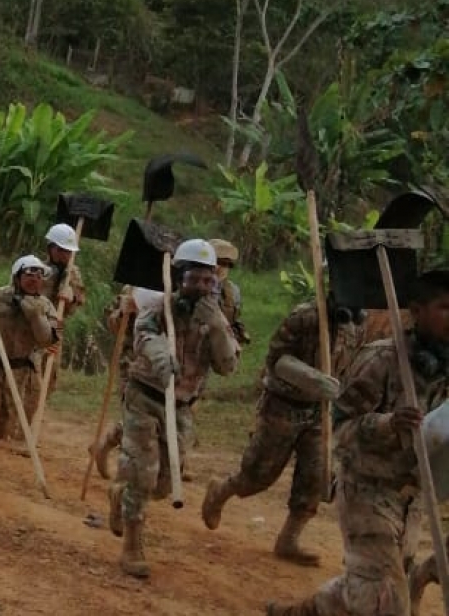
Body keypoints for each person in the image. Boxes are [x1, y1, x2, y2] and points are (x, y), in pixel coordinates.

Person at [265, 269, 449, 616]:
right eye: (445, 307)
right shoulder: (381, 359)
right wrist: (388, 424)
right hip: (368, 491)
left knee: (367, 588)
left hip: (413, 497)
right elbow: (341, 429)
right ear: (417, 310)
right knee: (389, 601)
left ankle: (301, 612)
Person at [107, 238, 239, 579]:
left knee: (164, 485)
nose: (200, 287)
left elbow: (228, 366)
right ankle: (132, 544)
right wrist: (159, 355)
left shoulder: (216, 319)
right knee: (143, 472)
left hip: (181, 406)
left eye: (207, 280)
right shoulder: (160, 308)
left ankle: (119, 494)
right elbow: (143, 334)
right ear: (179, 278)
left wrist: (219, 328)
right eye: (193, 279)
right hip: (145, 395)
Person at [201, 298, 365, 566]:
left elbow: (350, 366)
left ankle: (289, 539)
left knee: (315, 477)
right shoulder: (304, 316)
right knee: (258, 474)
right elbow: (275, 360)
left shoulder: (356, 324)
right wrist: (312, 379)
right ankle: (220, 491)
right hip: (282, 405)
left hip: (319, 411)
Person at [0, 255, 59, 490]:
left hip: (18, 370)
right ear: (17, 277)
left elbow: (47, 340)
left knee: (4, 425)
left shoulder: (45, 306)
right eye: (29, 274)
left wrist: (35, 316)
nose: (34, 279)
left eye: (39, 275)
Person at [8, 223, 87, 444]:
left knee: (47, 384)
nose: (65, 255)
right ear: (51, 248)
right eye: (61, 250)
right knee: (28, 383)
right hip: (31, 332)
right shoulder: (35, 268)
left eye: (68, 251)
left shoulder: (73, 273)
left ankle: (23, 429)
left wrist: (71, 297)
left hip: (55, 331)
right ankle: (16, 429)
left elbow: (80, 299)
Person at [89, 287, 162, 479]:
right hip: (133, 363)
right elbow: (113, 325)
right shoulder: (133, 288)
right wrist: (124, 312)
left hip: (164, 365)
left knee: (157, 419)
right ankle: (128, 472)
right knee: (135, 415)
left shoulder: (181, 282)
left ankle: (105, 444)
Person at [209, 238, 249, 345]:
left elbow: (234, 319)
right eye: (219, 262)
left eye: (228, 264)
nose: (223, 268)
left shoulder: (233, 290)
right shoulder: (194, 285)